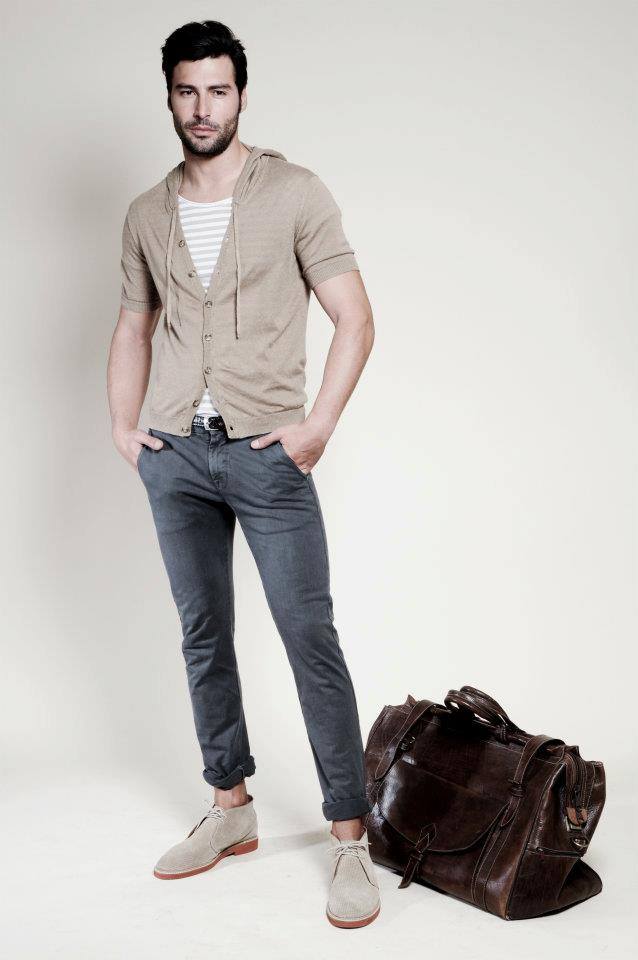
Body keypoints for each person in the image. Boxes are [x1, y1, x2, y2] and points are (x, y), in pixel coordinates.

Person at [107, 20, 379, 928]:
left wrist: (318, 426)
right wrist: (124, 430)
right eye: (187, 90)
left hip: (268, 452)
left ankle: (350, 838)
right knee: (203, 633)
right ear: (170, 97)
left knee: (309, 636)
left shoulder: (295, 192)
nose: (202, 107)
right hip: (176, 456)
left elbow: (355, 317)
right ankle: (231, 807)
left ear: (241, 96)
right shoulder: (147, 212)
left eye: (217, 90)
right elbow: (134, 325)